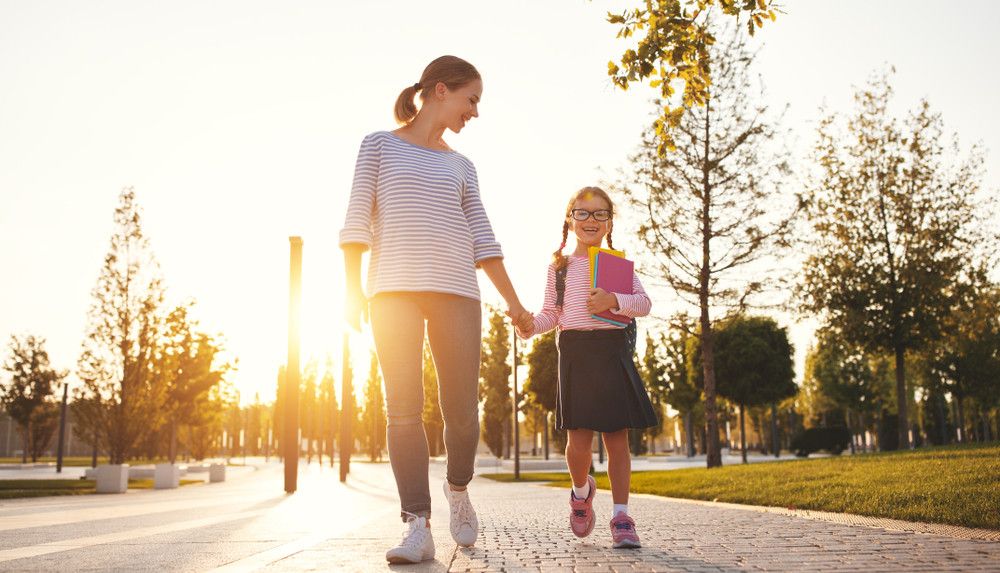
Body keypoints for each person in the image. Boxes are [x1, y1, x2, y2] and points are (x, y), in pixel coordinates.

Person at [339, 55, 529, 564]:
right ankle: (417, 524)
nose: (475, 112)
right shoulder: (378, 145)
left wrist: (514, 304)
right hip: (392, 292)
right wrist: (350, 289)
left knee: (462, 410)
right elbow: (356, 218)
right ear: (441, 90)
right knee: (402, 408)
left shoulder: (462, 166)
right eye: (472, 100)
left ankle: (458, 488)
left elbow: (483, 239)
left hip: (457, 292)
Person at [515, 186, 656, 549]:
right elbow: (551, 315)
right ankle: (581, 493)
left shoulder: (618, 265)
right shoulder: (559, 268)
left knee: (617, 440)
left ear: (609, 222)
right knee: (577, 442)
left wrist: (613, 300)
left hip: (612, 352)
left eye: (600, 213)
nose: (591, 220)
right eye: (582, 213)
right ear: (570, 219)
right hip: (575, 353)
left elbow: (643, 304)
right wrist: (529, 327)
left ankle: (621, 516)